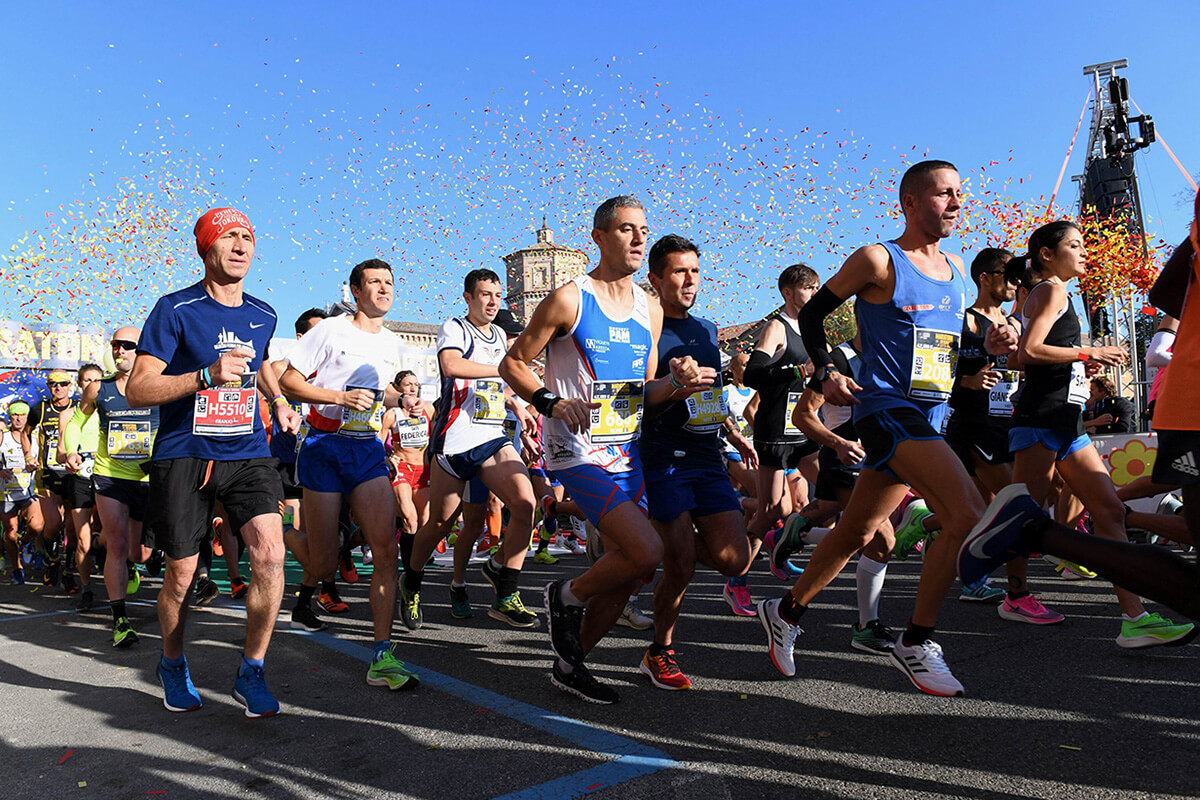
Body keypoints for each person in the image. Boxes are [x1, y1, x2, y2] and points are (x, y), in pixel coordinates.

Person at [757, 160, 1018, 697]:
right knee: (968, 513)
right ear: (909, 202)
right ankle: (916, 641)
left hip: (932, 417)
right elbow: (813, 317)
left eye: (959, 194)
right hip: (887, 412)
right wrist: (825, 368)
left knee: (855, 531)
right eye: (944, 194)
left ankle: (783, 611)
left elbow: (941, 350)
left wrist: (983, 352)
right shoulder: (880, 259)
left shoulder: (953, 267)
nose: (956, 203)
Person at [500, 195, 711, 704]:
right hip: (578, 452)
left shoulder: (650, 307)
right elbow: (512, 364)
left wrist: (679, 383)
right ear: (599, 237)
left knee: (630, 567)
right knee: (647, 550)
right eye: (626, 230)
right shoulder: (571, 299)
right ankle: (563, 595)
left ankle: (570, 665)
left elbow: (647, 389)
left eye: (643, 229)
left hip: (628, 452)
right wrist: (550, 401)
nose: (639, 239)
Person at [127, 207, 301, 717]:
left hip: (247, 451)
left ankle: (252, 670)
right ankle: (173, 662)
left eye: (248, 236)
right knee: (181, 575)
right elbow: (139, 388)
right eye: (229, 236)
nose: (241, 245)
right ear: (207, 248)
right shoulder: (175, 309)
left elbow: (265, 365)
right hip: (185, 451)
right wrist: (205, 375)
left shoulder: (264, 313)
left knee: (270, 555)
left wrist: (281, 403)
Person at [1000, 220, 1192, 647]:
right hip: (1039, 421)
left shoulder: (1056, 294)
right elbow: (1027, 353)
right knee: (1019, 515)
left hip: (1067, 423)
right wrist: (1090, 351)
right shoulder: (1049, 290)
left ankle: (1135, 618)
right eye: (1074, 245)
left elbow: (1024, 357)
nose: (1084, 252)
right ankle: (1013, 594)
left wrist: (1077, 365)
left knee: (1107, 512)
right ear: (1047, 255)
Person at [280, 259, 420, 691]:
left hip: (365, 451)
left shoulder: (395, 343)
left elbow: (385, 390)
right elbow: (288, 381)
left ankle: (382, 655)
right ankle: (283, 527)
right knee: (324, 564)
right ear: (356, 292)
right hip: (323, 448)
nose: (384, 289)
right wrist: (338, 395)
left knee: (385, 550)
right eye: (374, 283)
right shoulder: (331, 329)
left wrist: (403, 400)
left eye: (389, 283)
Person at [638, 234, 754, 689]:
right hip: (664, 457)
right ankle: (659, 651)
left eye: (695, 271)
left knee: (735, 559)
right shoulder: (646, 328)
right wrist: (673, 383)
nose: (690, 281)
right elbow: (639, 396)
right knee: (681, 567)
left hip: (708, 456)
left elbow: (712, 391)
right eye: (679, 272)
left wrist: (732, 432)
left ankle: (648, 543)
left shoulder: (707, 329)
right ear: (655, 279)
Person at [400, 270, 539, 630]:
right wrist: (503, 369)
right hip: (454, 440)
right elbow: (452, 365)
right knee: (440, 525)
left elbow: (502, 388)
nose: (492, 302)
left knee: (525, 504)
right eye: (485, 294)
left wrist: (519, 407)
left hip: (491, 437)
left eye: (497, 295)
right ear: (468, 297)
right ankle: (411, 580)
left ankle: (505, 590)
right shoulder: (456, 328)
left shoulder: (500, 339)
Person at [937, 248, 1035, 608]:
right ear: (985, 277)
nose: (1015, 282)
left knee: (980, 511)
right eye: (1007, 274)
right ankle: (1017, 594)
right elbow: (935, 371)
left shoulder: (1018, 324)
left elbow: (1021, 368)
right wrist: (967, 381)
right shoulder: (963, 322)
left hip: (1008, 425)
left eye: (1017, 276)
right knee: (1016, 505)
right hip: (972, 425)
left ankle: (926, 529)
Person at [731, 265, 822, 613]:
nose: (813, 294)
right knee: (771, 510)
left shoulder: (813, 329)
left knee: (833, 490)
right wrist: (798, 371)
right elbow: (754, 373)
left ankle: (784, 544)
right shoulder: (777, 327)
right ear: (787, 292)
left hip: (804, 427)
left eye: (816, 288)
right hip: (774, 430)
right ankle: (737, 580)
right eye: (807, 288)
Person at [64, 328, 159, 646]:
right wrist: (73, 448)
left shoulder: (160, 386)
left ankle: (134, 564)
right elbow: (76, 422)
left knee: (140, 553)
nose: (119, 350)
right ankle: (120, 620)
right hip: (109, 476)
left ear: (142, 350)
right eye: (115, 345)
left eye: (127, 345)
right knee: (116, 544)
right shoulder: (97, 388)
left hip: (147, 480)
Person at [22, 369, 78, 585]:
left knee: (72, 529)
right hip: (48, 472)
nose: (59, 388)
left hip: (74, 473)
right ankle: (52, 559)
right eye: (54, 384)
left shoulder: (79, 407)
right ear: (48, 386)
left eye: (63, 384)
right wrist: (28, 454)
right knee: (53, 524)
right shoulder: (40, 409)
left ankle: (69, 568)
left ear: (70, 385)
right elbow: (26, 433)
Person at [58, 364, 103, 603]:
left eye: (97, 380)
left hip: (108, 475)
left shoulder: (109, 408)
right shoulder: (68, 415)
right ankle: (86, 588)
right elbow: (60, 452)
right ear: (79, 385)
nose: (92, 385)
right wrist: (71, 456)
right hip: (80, 477)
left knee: (114, 533)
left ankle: (108, 550)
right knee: (82, 540)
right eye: (87, 381)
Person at [1, 402, 37, 584]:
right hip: (6, 492)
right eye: (15, 414)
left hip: (30, 490)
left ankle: (28, 541)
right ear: (9, 416)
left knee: (37, 525)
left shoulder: (36, 435)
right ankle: (16, 568)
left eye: (23, 414)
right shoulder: (3, 437)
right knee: (10, 532)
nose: (18, 418)